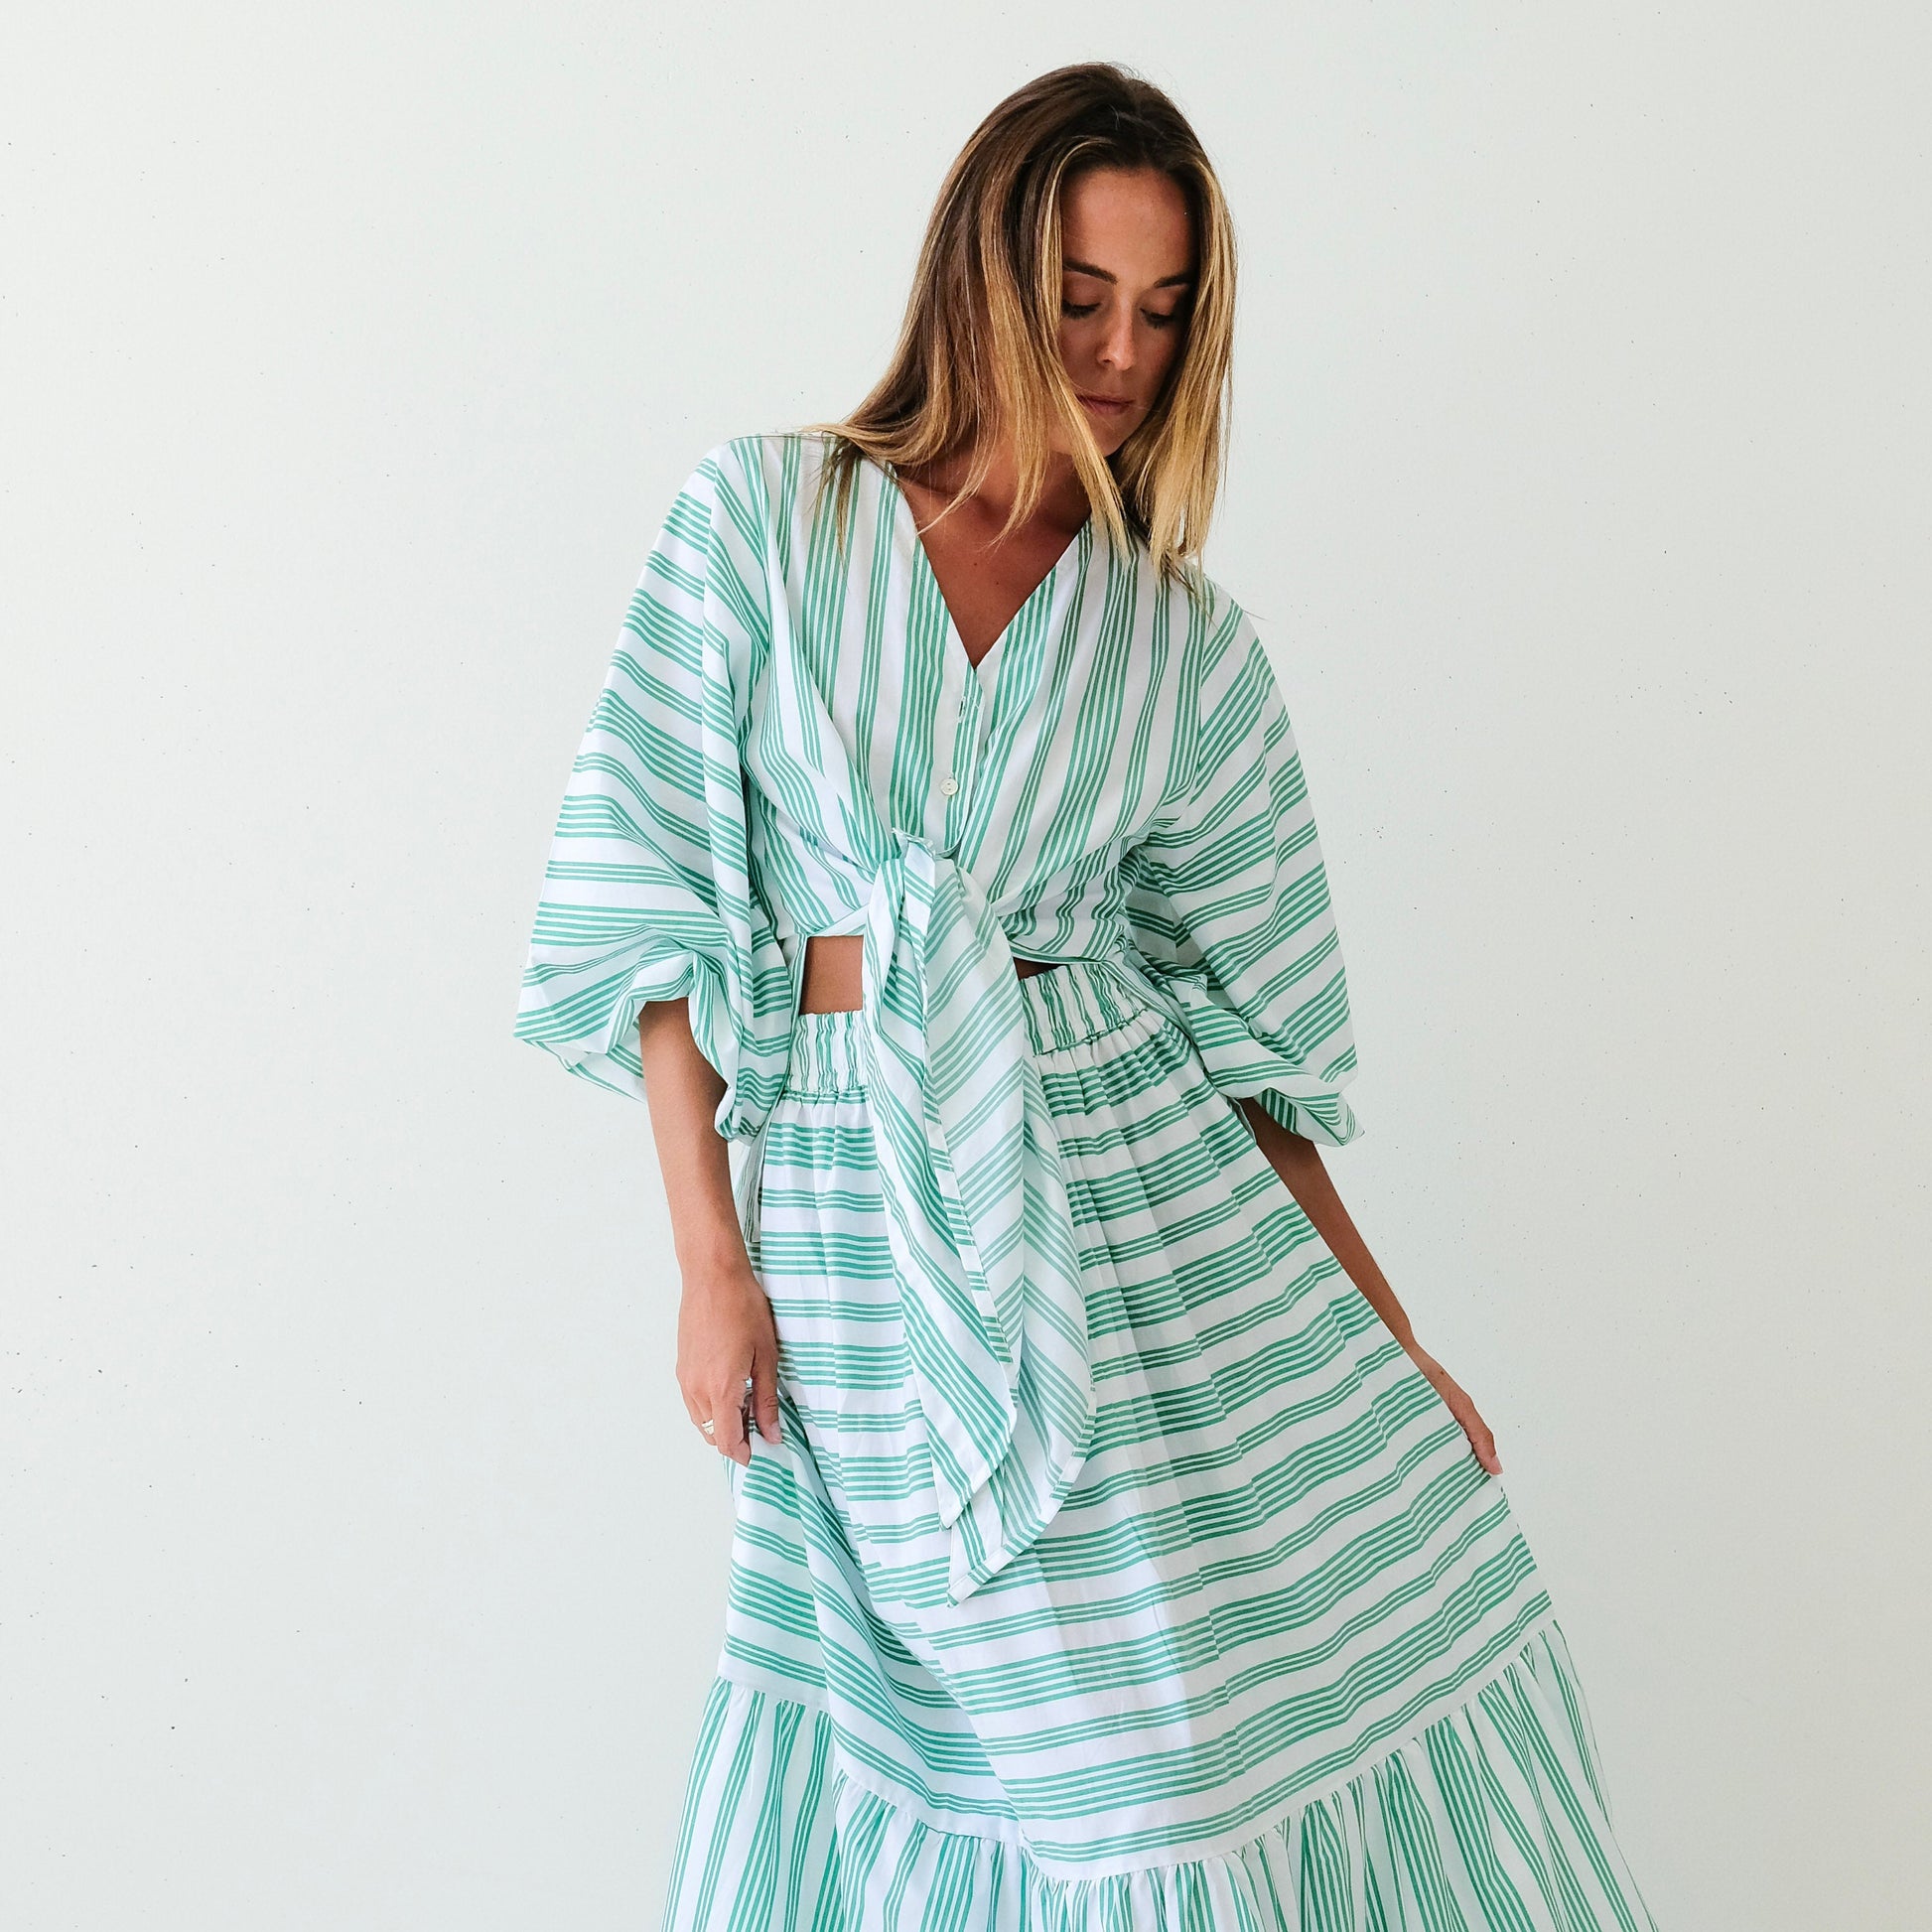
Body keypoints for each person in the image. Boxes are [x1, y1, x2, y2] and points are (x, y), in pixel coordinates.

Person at [513, 61, 1660, 1932]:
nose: (1121, 347)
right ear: (985, 275)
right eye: (1079, 295)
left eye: (1163, 307)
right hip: (852, 1213)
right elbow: (645, 905)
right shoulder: (761, 521)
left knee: (1173, 1764)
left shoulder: (1179, 643)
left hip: (1137, 1219)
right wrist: (704, 1258)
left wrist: (1389, 1341)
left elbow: (1253, 1063)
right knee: (1011, 1758)